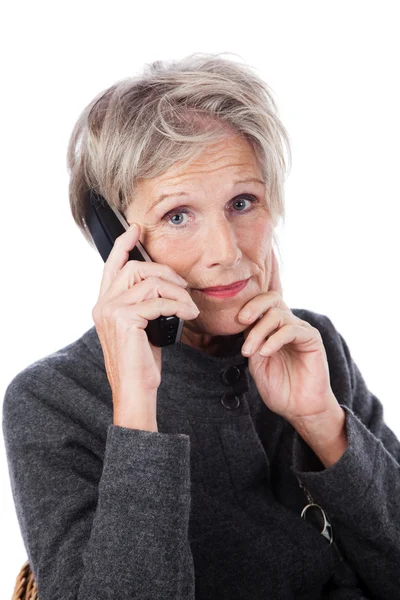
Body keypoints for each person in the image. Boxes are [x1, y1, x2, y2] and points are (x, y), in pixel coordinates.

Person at [2, 52, 400, 600]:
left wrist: (323, 424)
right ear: (117, 241)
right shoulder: (53, 399)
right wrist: (136, 411)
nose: (227, 251)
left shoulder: (311, 345)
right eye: (177, 215)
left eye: (243, 202)